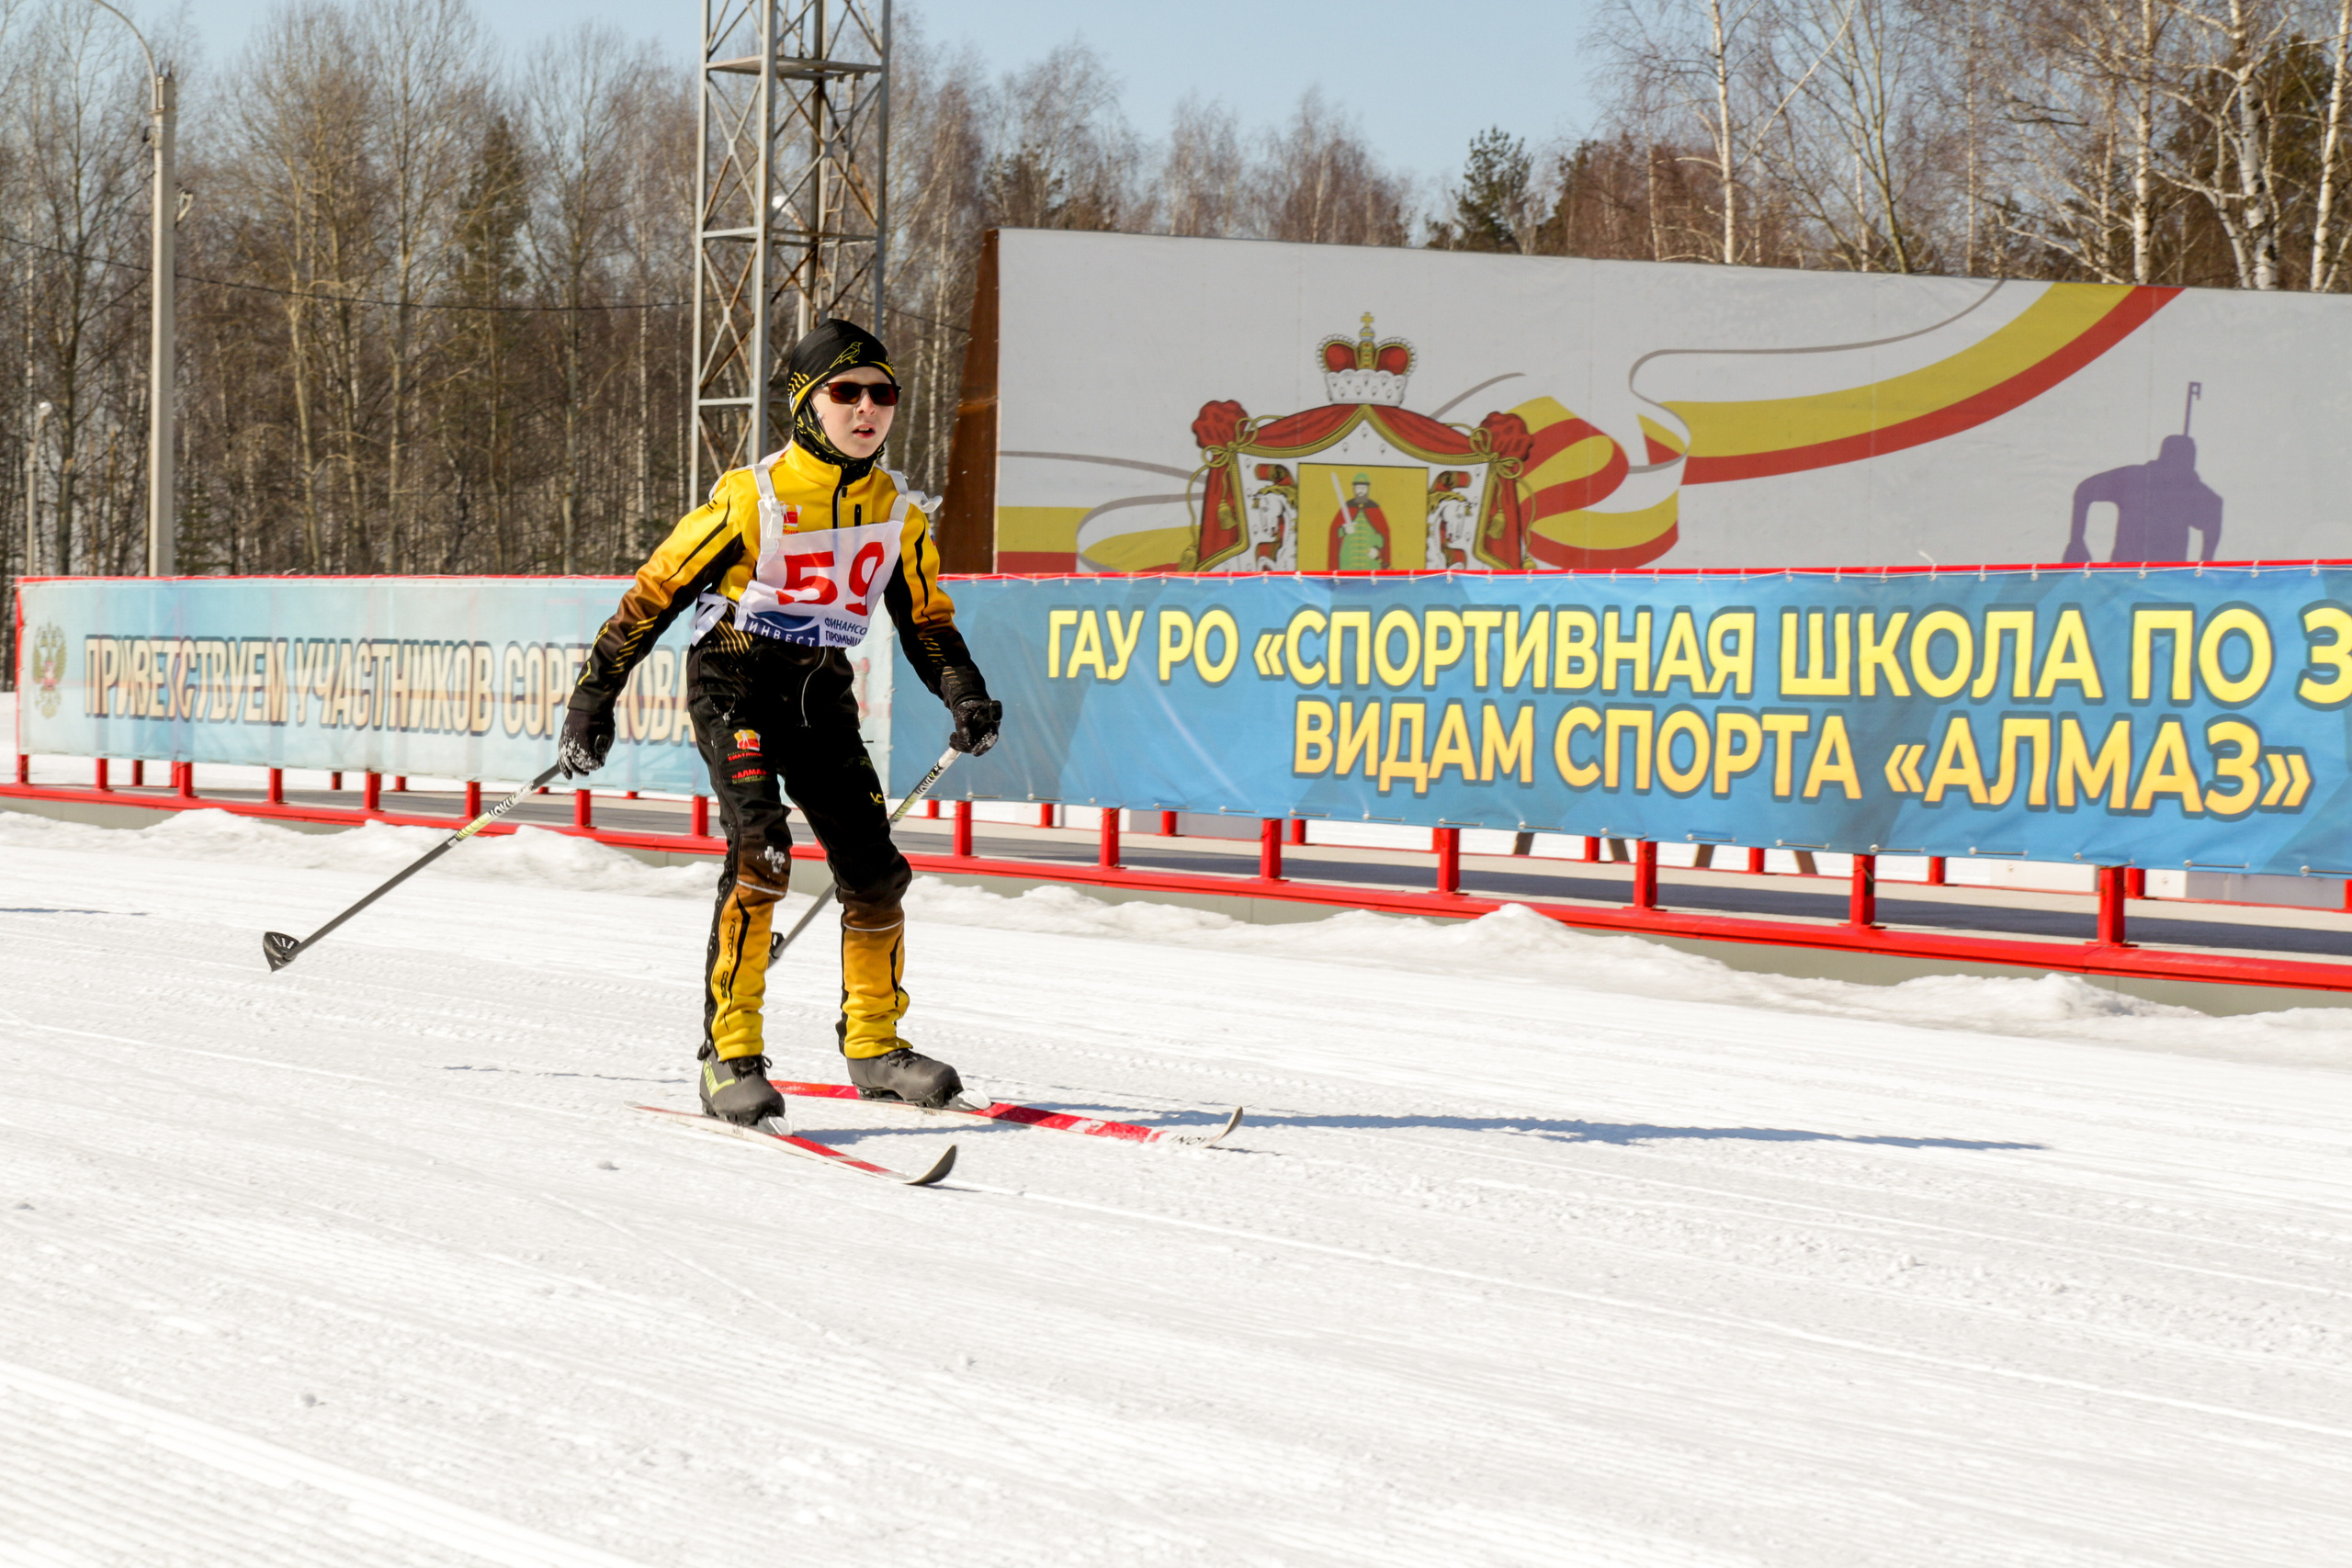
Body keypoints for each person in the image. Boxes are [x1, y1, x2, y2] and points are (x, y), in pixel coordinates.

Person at [557, 319, 1001, 1124]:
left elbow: (926, 622)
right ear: (806, 405)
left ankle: (875, 1045)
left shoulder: (897, 512)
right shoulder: (750, 497)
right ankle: (729, 1055)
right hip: (734, 683)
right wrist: (594, 698)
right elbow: (653, 595)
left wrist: (964, 693)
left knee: (875, 870)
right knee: (762, 849)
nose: (867, 408)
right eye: (846, 392)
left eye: (883, 393)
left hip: (817, 694)